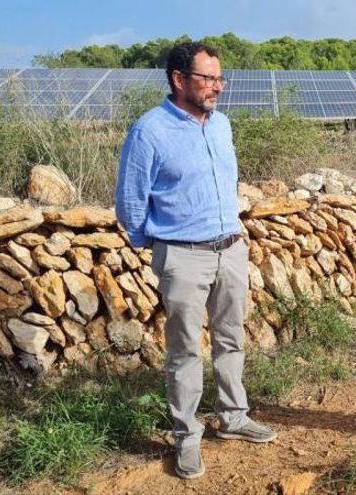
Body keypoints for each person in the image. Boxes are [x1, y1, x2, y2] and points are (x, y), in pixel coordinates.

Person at [115, 41, 276, 480]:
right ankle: (187, 436)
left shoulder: (221, 125)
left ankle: (233, 417)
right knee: (185, 350)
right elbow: (130, 203)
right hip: (182, 254)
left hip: (230, 248)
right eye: (207, 78)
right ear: (179, 79)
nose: (217, 88)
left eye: (220, 78)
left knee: (231, 338)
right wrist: (162, 249)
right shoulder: (149, 131)